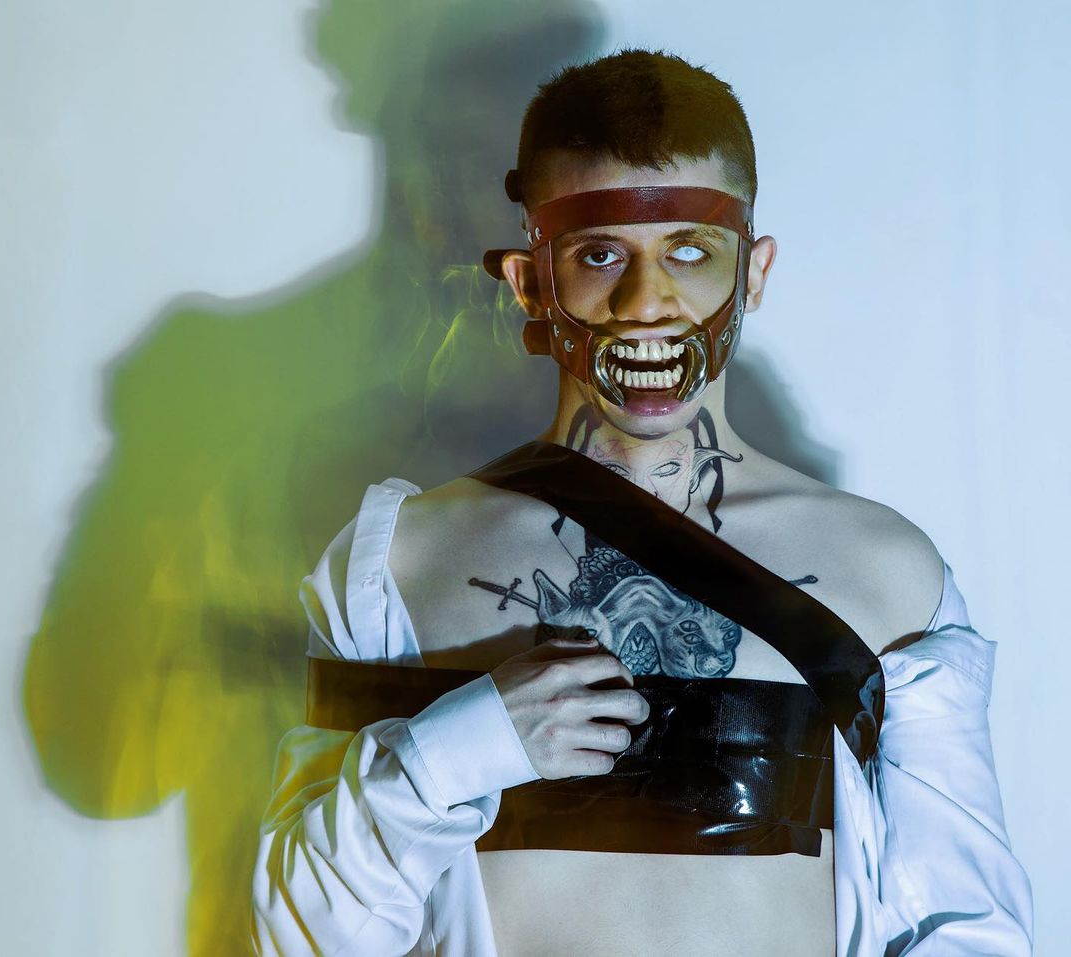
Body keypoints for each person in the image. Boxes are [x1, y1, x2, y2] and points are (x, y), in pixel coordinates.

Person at [250, 48, 1033, 956]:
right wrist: (462, 746)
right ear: (531, 282)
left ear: (754, 272)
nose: (646, 302)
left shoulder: (889, 576)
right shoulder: (398, 563)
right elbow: (306, 936)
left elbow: (970, 933)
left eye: (689, 251)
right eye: (599, 254)